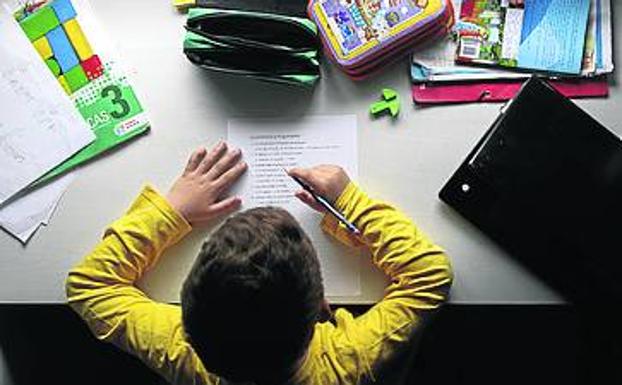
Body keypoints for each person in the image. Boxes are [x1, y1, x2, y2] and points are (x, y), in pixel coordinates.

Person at [66, 141, 453, 385]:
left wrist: (173, 211)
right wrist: (349, 204)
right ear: (323, 307)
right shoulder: (344, 366)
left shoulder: (181, 355)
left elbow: (88, 286)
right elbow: (430, 274)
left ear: (185, 318)